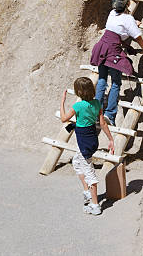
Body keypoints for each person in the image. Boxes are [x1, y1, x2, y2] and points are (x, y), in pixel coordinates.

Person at [90, 0, 143, 126]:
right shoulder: (128, 19)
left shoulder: (112, 14)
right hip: (112, 51)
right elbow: (137, 37)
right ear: (128, 4)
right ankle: (109, 115)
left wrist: (133, 22)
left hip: (102, 47)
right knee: (116, 82)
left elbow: (121, 22)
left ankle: (95, 113)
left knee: (102, 80)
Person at [60, 76, 114, 216]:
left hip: (84, 142)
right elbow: (102, 124)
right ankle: (87, 192)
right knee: (77, 162)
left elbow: (63, 119)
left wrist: (62, 101)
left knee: (89, 172)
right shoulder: (97, 104)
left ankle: (95, 205)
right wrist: (111, 139)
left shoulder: (78, 106)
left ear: (78, 92)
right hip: (92, 139)